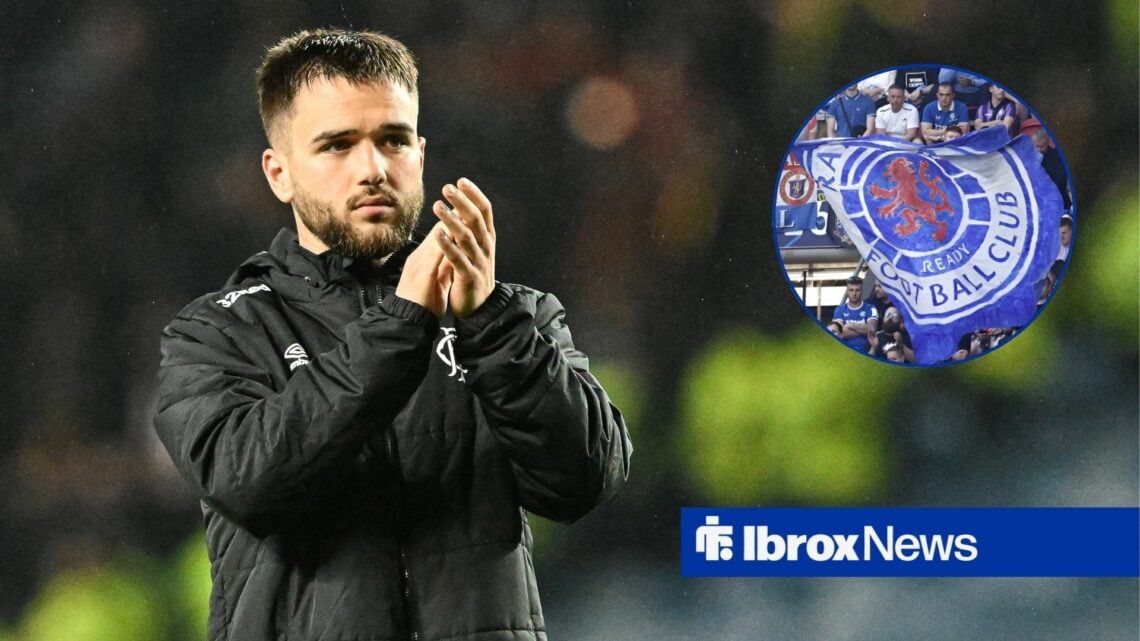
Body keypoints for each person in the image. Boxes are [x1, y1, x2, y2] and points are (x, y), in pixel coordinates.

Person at [152, 29, 632, 641]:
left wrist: (490, 322)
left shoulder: (513, 317)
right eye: (337, 145)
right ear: (280, 173)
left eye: (393, 140)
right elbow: (246, 479)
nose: (374, 169)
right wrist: (404, 322)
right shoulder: (218, 331)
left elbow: (585, 482)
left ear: (421, 156)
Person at [831, 276, 878, 353]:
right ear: (847, 291)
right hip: (845, 352)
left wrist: (850, 325)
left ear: (862, 291)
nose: (854, 293)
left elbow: (872, 329)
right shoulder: (839, 309)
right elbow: (839, 333)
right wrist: (864, 330)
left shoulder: (870, 308)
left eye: (857, 290)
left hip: (866, 352)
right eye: (851, 290)